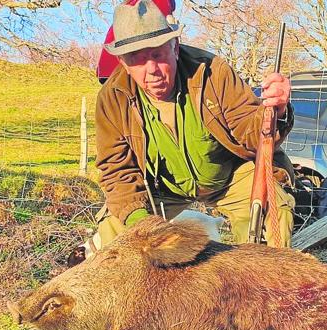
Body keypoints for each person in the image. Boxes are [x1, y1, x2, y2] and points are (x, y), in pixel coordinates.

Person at [91, 0, 295, 252]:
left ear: (174, 47)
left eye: (157, 54)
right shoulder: (113, 97)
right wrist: (140, 225)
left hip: (229, 176)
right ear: (123, 62)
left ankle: (265, 286)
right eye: (137, 59)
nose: (151, 70)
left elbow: (250, 134)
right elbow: (116, 171)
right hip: (160, 188)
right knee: (115, 237)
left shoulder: (212, 72)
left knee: (271, 214)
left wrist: (276, 109)